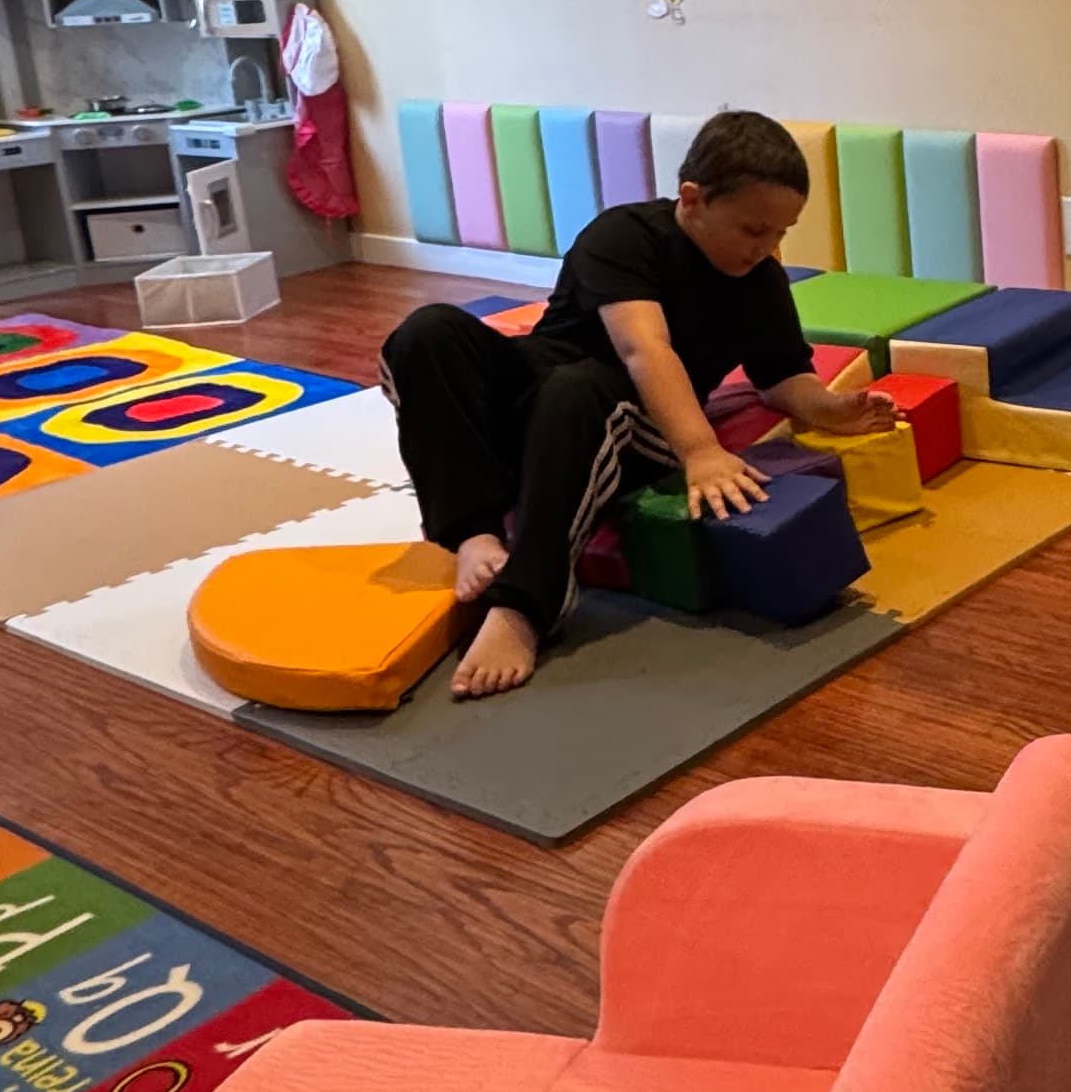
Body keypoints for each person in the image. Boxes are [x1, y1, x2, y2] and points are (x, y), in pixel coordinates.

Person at [381, 108, 895, 702]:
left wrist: (829, 408)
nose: (767, 247)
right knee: (428, 332)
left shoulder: (759, 281)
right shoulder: (624, 236)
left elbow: (780, 377)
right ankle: (472, 532)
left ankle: (524, 606)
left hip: (630, 424)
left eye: (782, 233)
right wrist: (702, 450)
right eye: (754, 230)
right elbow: (643, 348)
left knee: (577, 389)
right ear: (693, 199)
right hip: (551, 398)